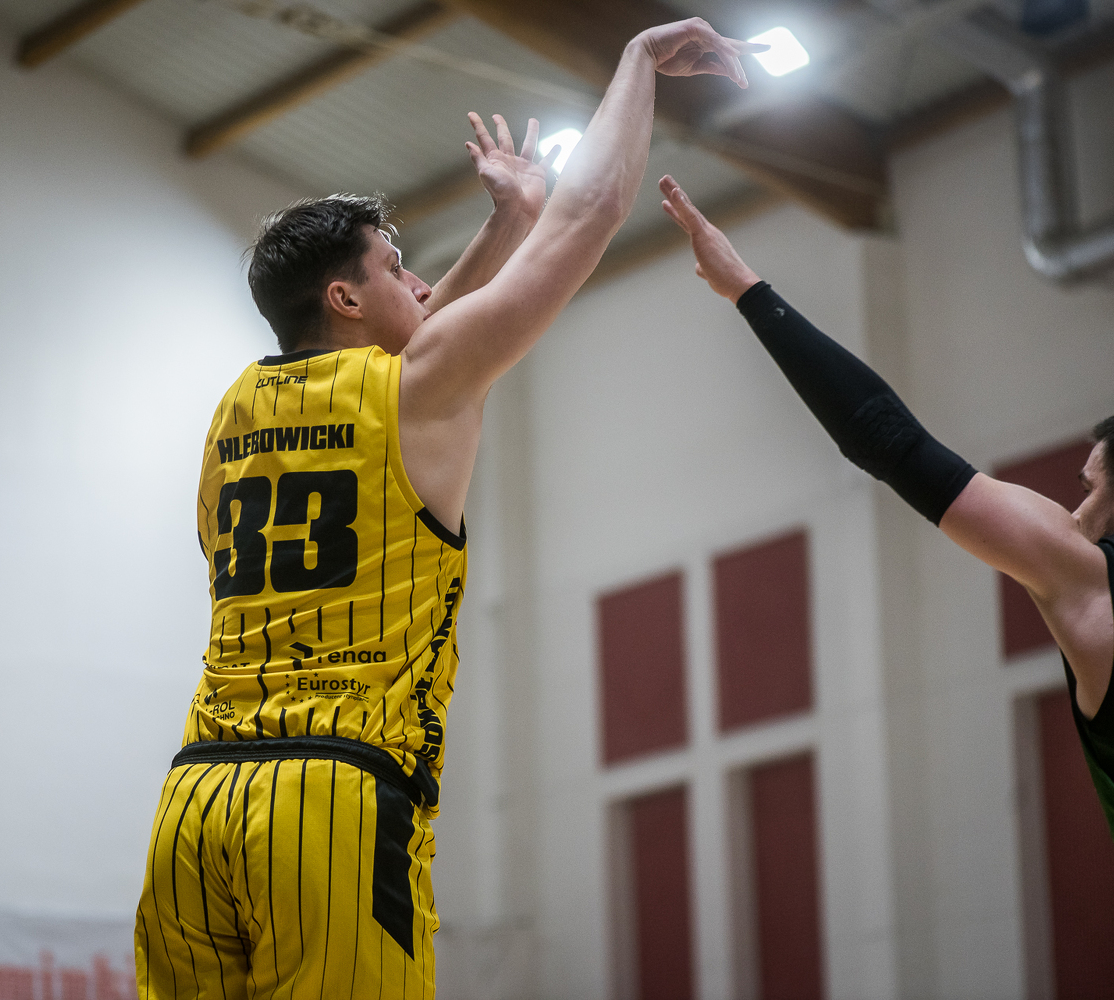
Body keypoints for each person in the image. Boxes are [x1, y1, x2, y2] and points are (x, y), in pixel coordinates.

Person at [133, 20, 762, 999]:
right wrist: (637, 61)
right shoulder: (413, 393)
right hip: (327, 797)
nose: (419, 283)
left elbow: (422, 341)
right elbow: (593, 211)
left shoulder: (231, 415)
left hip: (193, 800)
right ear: (345, 299)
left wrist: (505, 222)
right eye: (395, 269)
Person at [658, 172, 1114, 880]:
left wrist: (748, 292)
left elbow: (892, 444)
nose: (1074, 515)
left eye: (1087, 491)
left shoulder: (1096, 581)